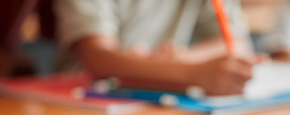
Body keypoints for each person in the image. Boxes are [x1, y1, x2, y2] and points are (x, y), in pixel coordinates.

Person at [55, 0, 265, 96]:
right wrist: (189, 71)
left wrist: (185, 59)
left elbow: (238, 43)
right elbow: (98, 57)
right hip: (84, 95)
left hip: (165, 97)